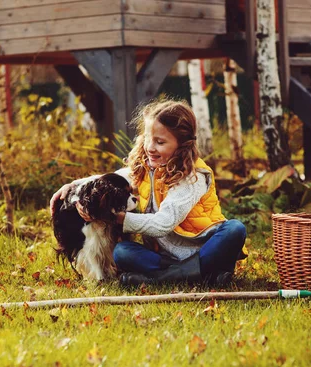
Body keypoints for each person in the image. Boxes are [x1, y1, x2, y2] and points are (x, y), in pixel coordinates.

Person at [50, 99, 246, 286]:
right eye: (148, 139)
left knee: (235, 229)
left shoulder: (194, 176)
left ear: (182, 145)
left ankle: (165, 277)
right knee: (123, 252)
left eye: (160, 142)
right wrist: (74, 185)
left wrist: (119, 218)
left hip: (204, 250)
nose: (151, 148)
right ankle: (197, 276)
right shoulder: (146, 168)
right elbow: (114, 177)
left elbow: (164, 223)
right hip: (163, 257)